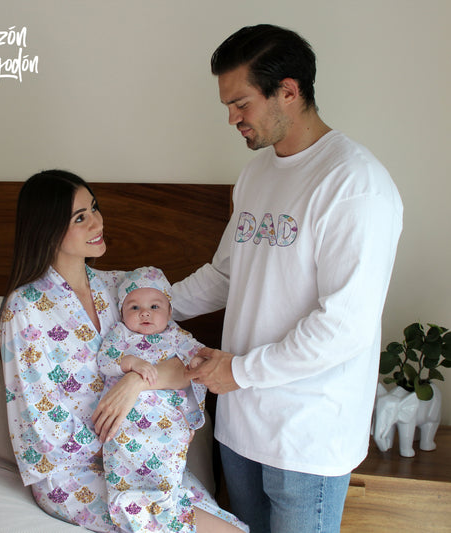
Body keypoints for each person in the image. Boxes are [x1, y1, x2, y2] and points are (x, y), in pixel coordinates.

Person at [171, 24, 403, 533]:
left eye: (241, 104)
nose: (232, 118)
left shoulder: (354, 184)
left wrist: (241, 372)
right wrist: (141, 300)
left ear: (289, 91)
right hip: (239, 426)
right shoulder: (256, 175)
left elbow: (343, 326)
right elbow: (226, 275)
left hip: (306, 437)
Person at [0, 170, 249, 533]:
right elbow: (39, 425)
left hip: (145, 451)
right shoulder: (24, 308)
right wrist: (127, 432)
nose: (97, 222)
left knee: (234, 528)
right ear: (47, 229)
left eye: (94, 208)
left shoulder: (121, 289)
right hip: (74, 472)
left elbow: (184, 362)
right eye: (80, 218)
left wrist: (136, 384)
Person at [98, 266, 219, 532]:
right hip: (127, 420)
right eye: (134, 307)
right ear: (121, 312)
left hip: (167, 420)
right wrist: (130, 362)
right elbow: (106, 360)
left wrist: (195, 363)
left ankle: (163, 506)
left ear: (169, 311)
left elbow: (201, 360)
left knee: (167, 466)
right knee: (123, 461)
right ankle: (129, 505)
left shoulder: (178, 337)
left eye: (155, 306)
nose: (145, 313)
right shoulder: (120, 334)